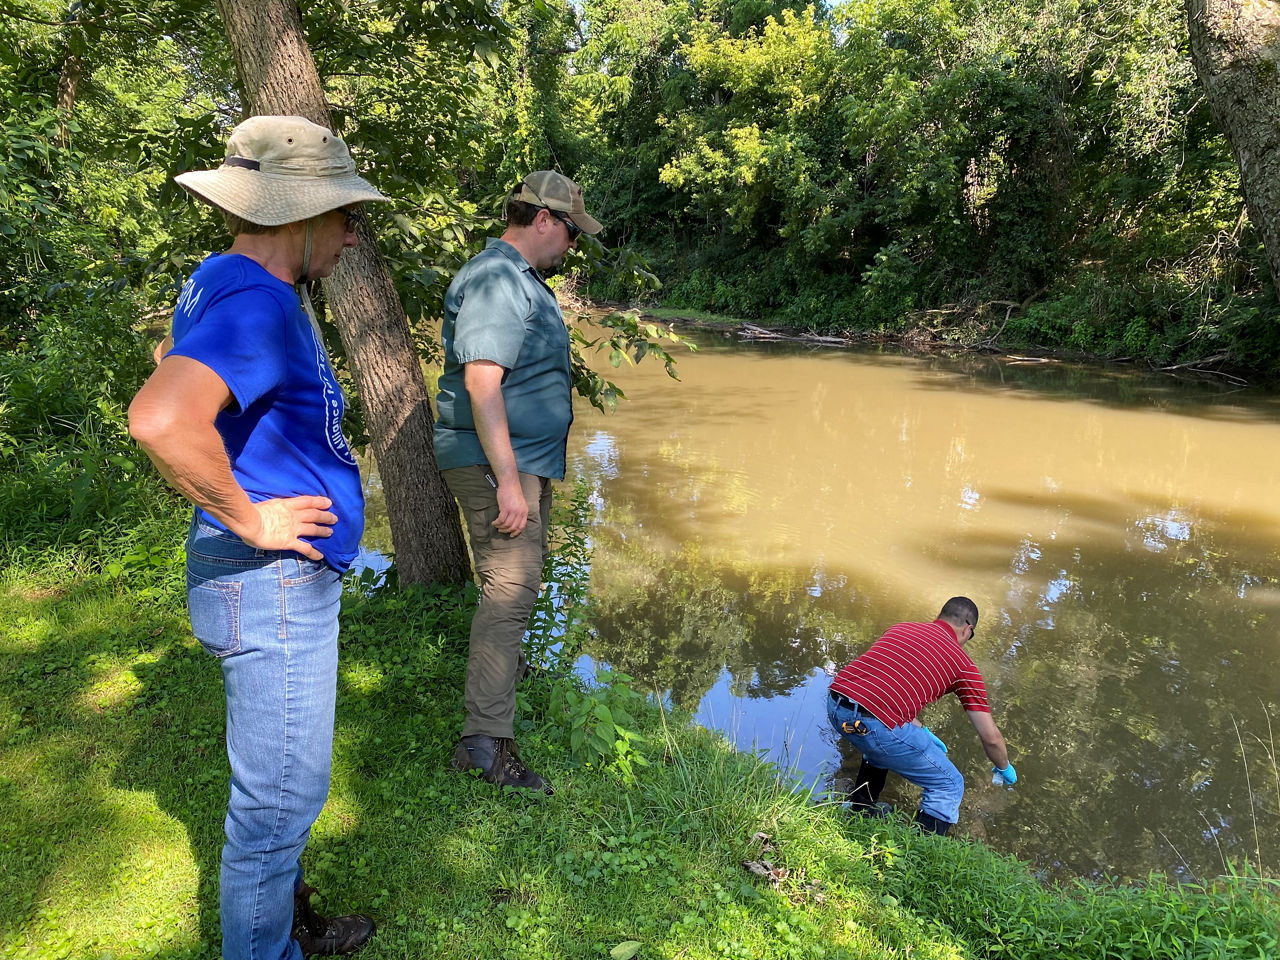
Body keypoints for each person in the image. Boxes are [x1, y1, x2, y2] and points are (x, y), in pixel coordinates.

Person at [128, 115, 387, 959]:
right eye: (347, 216)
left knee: (282, 790)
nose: (354, 235)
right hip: (270, 583)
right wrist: (250, 513)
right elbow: (162, 416)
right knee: (275, 807)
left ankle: (289, 926)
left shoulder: (217, 278)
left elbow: (174, 356)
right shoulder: (263, 301)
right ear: (301, 216)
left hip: (256, 582)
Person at [433, 171, 602, 795]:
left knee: (515, 585)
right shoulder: (496, 279)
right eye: (571, 234)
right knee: (510, 595)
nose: (571, 248)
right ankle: (485, 744)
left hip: (520, 461)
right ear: (543, 220)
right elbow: (482, 382)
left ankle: (498, 690)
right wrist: (507, 480)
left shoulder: (516, 280)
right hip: (496, 464)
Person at [827, 596, 1016, 836]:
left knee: (879, 746)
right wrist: (1004, 766)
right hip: (875, 725)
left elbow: (881, 690)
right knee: (949, 784)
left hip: (836, 705)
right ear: (968, 628)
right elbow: (990, 737)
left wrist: (921, 730)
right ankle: (920, 854)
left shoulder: (901, 628)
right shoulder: (963, 665)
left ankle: (860, 811)